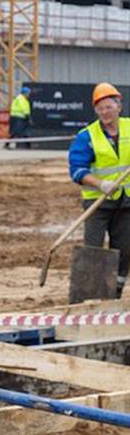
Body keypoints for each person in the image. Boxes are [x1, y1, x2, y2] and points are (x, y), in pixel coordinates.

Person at [68, 82, 130, 296]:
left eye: (108, 107)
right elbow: (77, 170)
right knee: (93, 249)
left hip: (126, 202)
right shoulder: (87, 136)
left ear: (118, 106)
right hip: (97, 203)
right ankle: (89, 296)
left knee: (123, 249)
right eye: (100, 108)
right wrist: (100, 184)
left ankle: (115, 292)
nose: (105, 112)